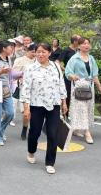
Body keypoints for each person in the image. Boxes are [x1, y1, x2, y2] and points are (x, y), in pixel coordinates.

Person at [20, 42, 68, 174]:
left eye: (43, 52)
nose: (40, 54)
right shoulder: (30, 68)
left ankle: (50, 162)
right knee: (35, 132)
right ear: (35, 53)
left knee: (53, 134)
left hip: (54, 104)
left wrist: (64, 102)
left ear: (49, 53)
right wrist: (26, 108)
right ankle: (31, 151)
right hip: (36, 105)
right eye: (38, 52)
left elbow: (61, 84)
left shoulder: (56, 66)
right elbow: (26, 88)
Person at [65, 37, 101, 144]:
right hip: (78, 87)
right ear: (78, 46)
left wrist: (100, 87)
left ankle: (76, 129)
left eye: (88, 43)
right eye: (83, 43)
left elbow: (95, 74)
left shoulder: (91, 58)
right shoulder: (74, 58)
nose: (86, 45)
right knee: (80, 108)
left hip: (89, 87)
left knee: (87, 109)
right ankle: (87, 132)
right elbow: (67, 73)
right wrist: (73, 76)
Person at [0, 40, 22, 146]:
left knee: (10, 113)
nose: (12, 49)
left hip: (6, 89)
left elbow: (11, 74)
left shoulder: (8, 59)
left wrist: (23, 73)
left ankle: (0, 131)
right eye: (10, 47)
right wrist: (0, 72)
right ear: (4, 48)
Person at [12, 43, 36, 139]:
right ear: (27, 50)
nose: (34, 54)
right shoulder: (20, 60)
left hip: (37, 90)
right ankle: (25, 128)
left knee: (35, 112)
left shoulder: (39, 61)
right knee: (26, 113)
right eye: (32, 52)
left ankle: (33, 130)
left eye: (36, 52)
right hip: (24, 88)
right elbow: (13, 74)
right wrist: (22, 73)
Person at [58, 35, 81, 109]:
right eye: (79, 40)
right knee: (67, 95)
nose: (81, 42)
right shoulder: (66, 50)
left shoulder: (79, 51)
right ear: (75, 42)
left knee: (78, 95)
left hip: (78, 77)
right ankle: (65, 115)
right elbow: (58, 62)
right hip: (68, 77)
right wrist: (66, 70)